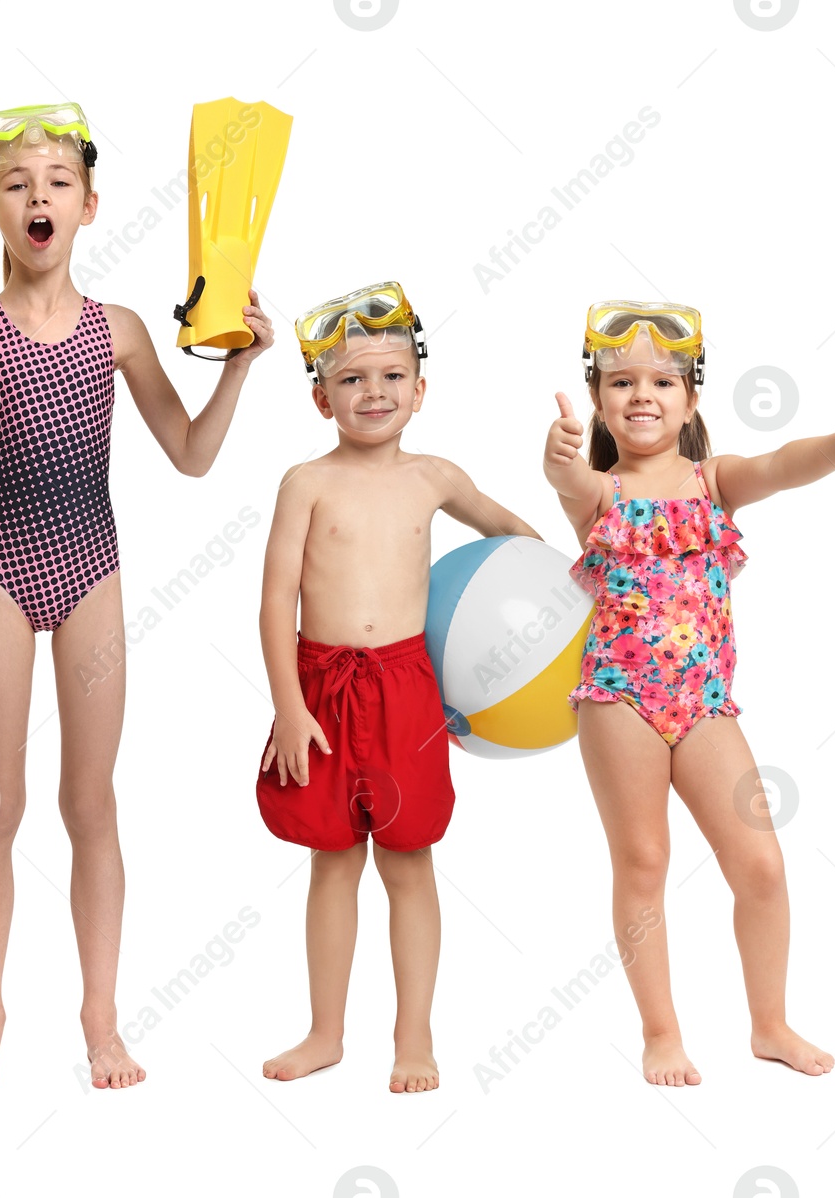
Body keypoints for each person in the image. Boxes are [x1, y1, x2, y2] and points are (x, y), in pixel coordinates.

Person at [0, 103, 273, 1089]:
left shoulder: (116, 331)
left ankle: (101, 1020)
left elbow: (192, 456)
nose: (39, 195)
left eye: (58, 182)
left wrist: (238, 365)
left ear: (90, 206)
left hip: (92, 572)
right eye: (17, 183)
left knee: (90, 802)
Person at [543, 300, 835, 1085]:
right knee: (644, 858)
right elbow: (562, 478)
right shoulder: (598, 491)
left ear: (691, 398)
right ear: (597, 399)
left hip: (703, 702)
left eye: (662, 379)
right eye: (620, 381)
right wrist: (559, 456)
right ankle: (661, 1033)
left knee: (760, 864)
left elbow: (779, 465)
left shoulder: (713, 481)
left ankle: (770, 1024)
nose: (641, 395)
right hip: (618, 695)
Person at [255, 282, 541, 1093]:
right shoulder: (305, 483)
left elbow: (508, 535)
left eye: (390, 376)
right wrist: (288, 704)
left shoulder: (435, 477)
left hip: (408, 687)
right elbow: (278, 599)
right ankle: (324, 1032)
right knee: (332, 859)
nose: (372, 392)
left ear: (421, 389)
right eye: (351, 380)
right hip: (322, 688)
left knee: (410, 862)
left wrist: (562, 594)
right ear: (321, 398)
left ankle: (413, 1037)